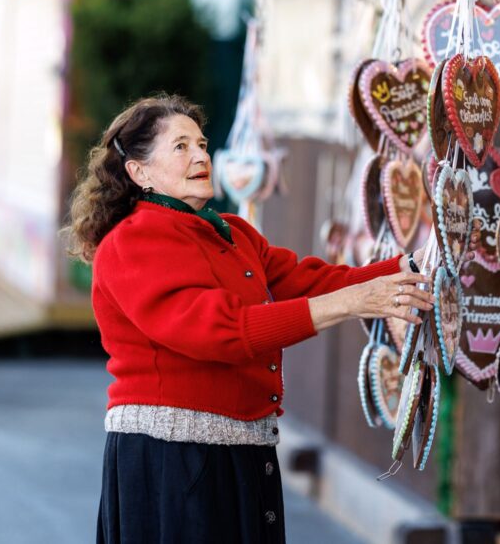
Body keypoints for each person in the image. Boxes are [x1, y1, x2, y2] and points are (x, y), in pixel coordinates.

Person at [66, 94, 430, 544]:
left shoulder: (232, 232)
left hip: (242, 451)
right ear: (139, 172)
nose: (201, 155)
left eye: (201, 144)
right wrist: (353, 302)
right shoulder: (131, 241)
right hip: (172, 462)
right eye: (180, 146)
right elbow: (220, 330)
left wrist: (409, 266)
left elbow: (309, 280)